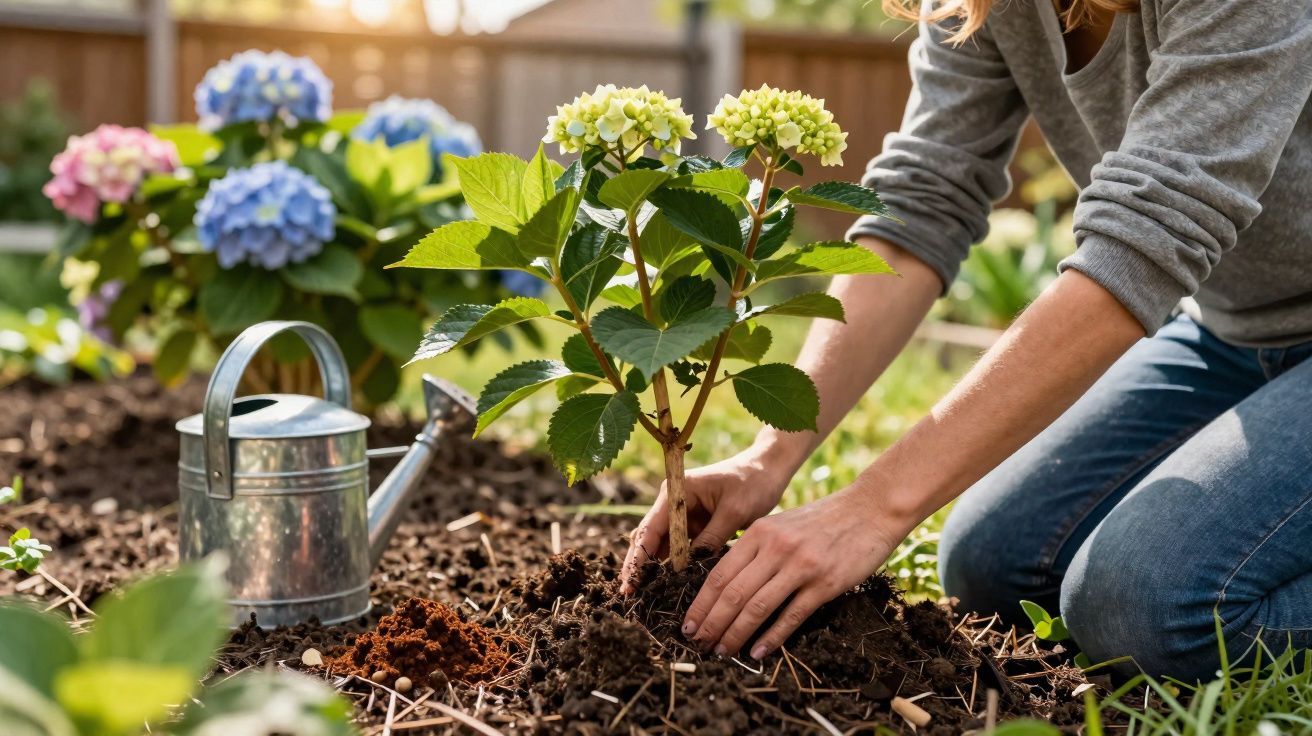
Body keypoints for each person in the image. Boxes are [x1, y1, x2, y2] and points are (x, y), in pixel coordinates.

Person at [619, 0, 1312, 680]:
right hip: (1231, 332)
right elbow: (926, 192)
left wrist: (870, 508)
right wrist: (772, 454)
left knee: (1150, 609)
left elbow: (1145, 239)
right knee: (995, 560)